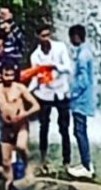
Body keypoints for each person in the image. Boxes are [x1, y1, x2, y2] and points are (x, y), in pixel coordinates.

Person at [0, 64, 40, 184]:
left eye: (11, 75)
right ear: (0, 75)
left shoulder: (20, 88)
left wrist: (24, 114)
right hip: (6, 126)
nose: (9, 78)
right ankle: (9, 181)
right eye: (6, 75)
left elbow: (36, 105)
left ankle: (28, 165)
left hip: (20, 124)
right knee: (5, 160)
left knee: (21, 146)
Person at [28, 24, 73, 170]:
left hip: (61, 92)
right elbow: (35, 78)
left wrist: (54, 66)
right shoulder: (35, 56)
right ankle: (43, 159)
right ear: (37, 37)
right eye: (43, 36)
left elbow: (68, 67)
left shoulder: (60, 47)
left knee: (64, 128)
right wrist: (26, 93)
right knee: (44, 127)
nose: (46, 38)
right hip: (45, 94)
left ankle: (67, 161)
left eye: (48, 35)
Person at [68, 24, 96, 179]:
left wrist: (71, 93)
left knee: (79, 132)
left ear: (76, 37)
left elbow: (83, 80)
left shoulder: (83, 55)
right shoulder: (84, 52)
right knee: (79, 131)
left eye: (71, 37)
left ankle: (86, 166)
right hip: (82, 100)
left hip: (81, 100)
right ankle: (86, 163)